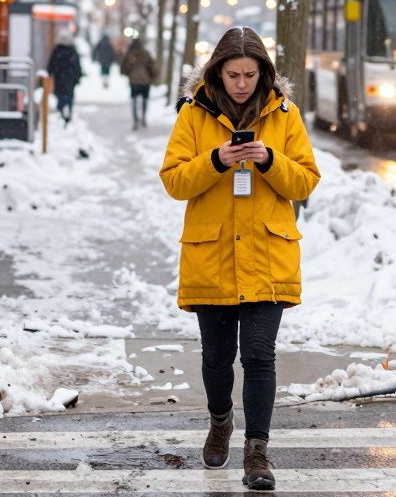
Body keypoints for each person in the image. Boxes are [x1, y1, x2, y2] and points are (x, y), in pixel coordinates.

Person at [158, 26, 320, 491]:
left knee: (259, 355)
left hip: (267, 256)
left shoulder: (285, 115)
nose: (243, 83)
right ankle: (220, 419)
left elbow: (306, 182)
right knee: (216, 358)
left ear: (263, 73)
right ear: (217, 72)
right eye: (234, 74)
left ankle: (257, 451)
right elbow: (173, 181)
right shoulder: (193, 114)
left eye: (251, 74)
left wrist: (270, 160)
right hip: (212, 255)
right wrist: (216, 161)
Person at [46, 31, 82, 125]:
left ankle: (61, 110)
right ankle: (68, 111)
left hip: (59, 78)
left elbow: (51, 64)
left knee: (60, 94)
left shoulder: (57, 50)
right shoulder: (72, 51)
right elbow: (77, 65)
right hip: (70, 78)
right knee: (69, 95)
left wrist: (50, 73)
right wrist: (78, 77)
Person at [120, 37, 156, 129]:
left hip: (134, 81)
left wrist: (128, 73)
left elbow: (123, 67)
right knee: (145, 100)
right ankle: (143, 117)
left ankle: (135, 120)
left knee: (134, 100)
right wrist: (152, 77)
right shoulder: (146, 53)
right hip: (145, 81)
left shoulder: (129, 54)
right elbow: (152, 66)